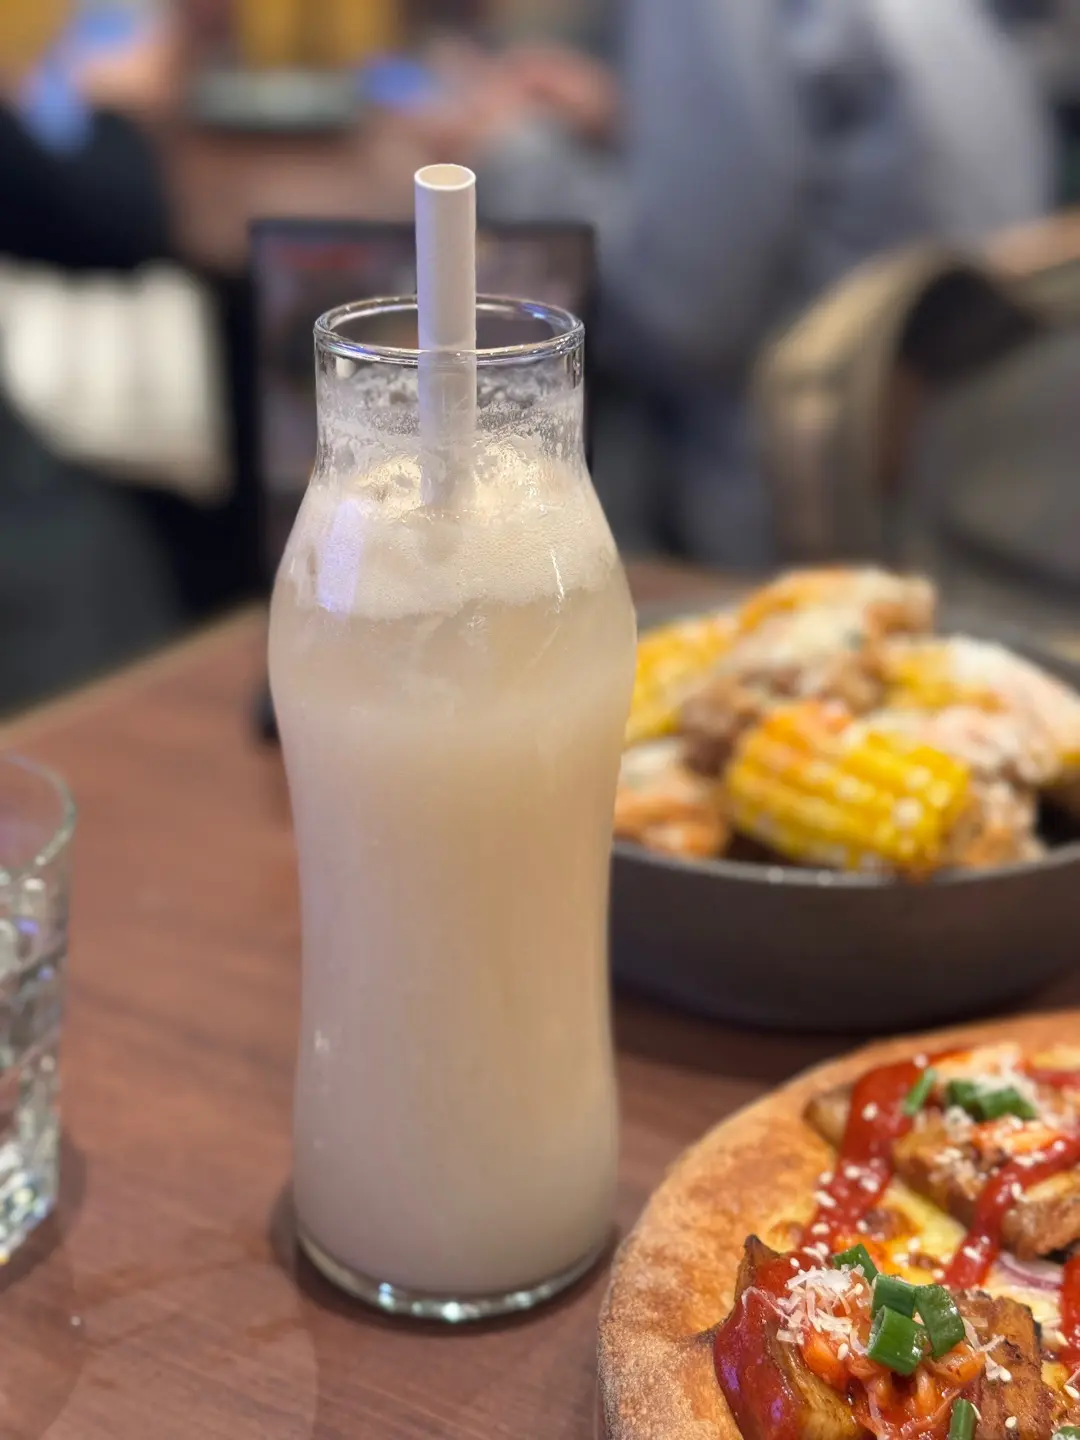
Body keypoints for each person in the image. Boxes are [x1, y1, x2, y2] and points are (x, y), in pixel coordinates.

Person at [409, 0, 1053, 566]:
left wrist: (507, 153)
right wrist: (636, 118)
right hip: (973, 480)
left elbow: (681, 316)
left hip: (791, 515)